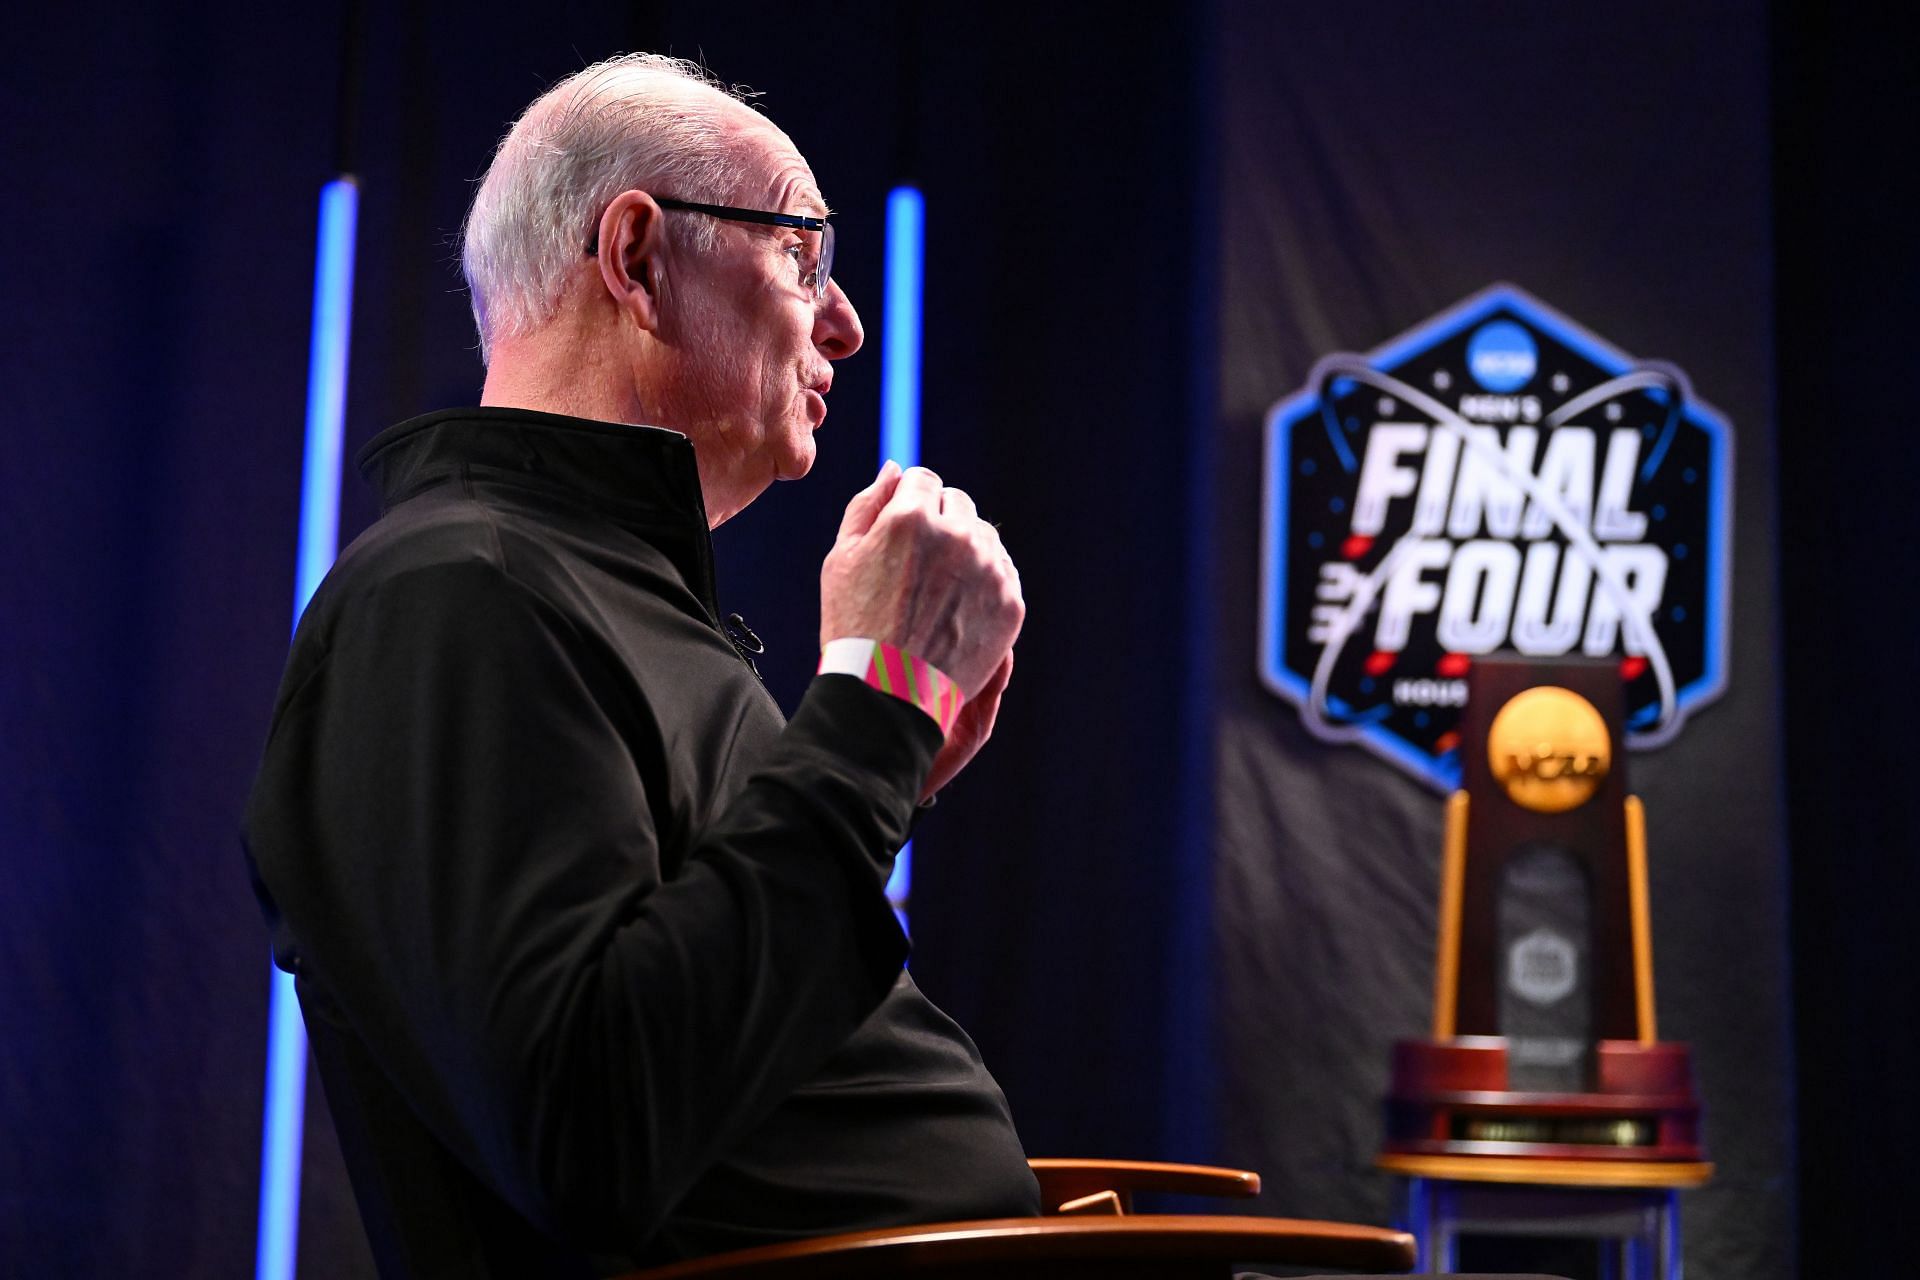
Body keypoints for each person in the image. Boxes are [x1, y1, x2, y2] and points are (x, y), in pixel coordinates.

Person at [244, 53, 1035, 1276]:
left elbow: (714, 1025)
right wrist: (871, 717)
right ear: (637, 258)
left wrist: (884, 764)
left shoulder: (590, 590)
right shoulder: (456, 595)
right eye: (803, 253)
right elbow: (592, 1127)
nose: (848, 322)